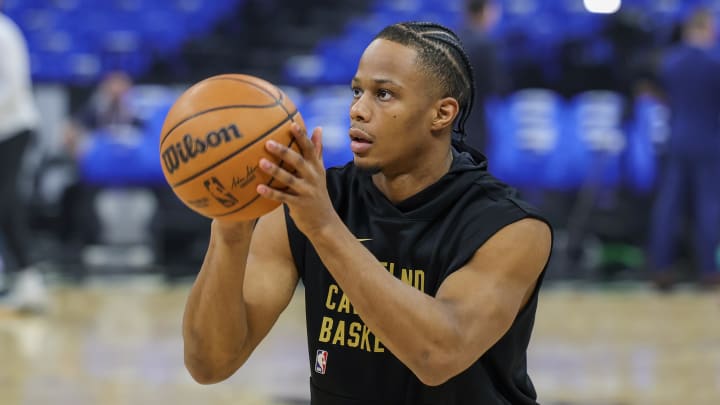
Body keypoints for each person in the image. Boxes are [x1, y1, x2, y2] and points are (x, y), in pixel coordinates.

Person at [183, 22, 552, 404]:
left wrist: (323, 227)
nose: (358, 110)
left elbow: (438, 354)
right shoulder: (312, 203)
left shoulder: (510, 227)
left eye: (384, 94)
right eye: (357, 91)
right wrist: (229, 232)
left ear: (441, 114)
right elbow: (210, 365)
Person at [648, 8, 720, 290]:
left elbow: (659, 95)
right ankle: (709, 271)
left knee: (668, 207)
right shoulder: (715, 62)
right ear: (706, 28)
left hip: (676, 139)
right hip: (708, 141)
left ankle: (661, 268)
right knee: (708, 207)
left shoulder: (670, 61)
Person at [0, 7, 48, 312]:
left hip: (13, 126)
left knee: (6, 201)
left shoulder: (4, 32)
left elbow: (14, 87)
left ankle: (29, 280)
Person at [458, 0, 508, 153]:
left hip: (448, 125)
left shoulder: (450, 40)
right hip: (475, 123)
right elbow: (499, 87)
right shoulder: (486, 44)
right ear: (485, 11)